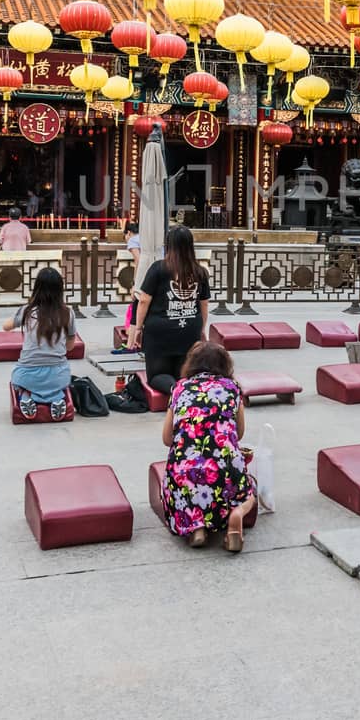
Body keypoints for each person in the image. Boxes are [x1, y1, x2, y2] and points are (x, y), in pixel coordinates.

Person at [160, 341, 256, 552]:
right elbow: (238, 434)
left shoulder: (179, 388)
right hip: (226, 472)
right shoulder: (233, 388)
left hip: (185, 473)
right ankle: (236, 515)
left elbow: (167, 438)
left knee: (178, 487)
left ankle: (197, 527)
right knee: (249, 491)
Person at [128, 224, 209, 394]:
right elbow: (204, 304)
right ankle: (185, 389)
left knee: (157, 375)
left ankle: (175, 391)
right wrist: (200, 329)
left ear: (168, 245)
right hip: (189, 329)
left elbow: (143, 301)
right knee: (184, 373)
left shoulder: (158, 268)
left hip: (159, 332)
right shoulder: (200, 271)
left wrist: (137, 328)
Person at [1, 266, 76, 420]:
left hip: (27, 375)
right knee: (59, 378)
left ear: (37, 288)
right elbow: (70, 346)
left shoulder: (27, 311)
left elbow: (5, 327)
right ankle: (56, 398)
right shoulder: (67, 313)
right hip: (59, 376)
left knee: (17, 379)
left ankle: (26, 395)